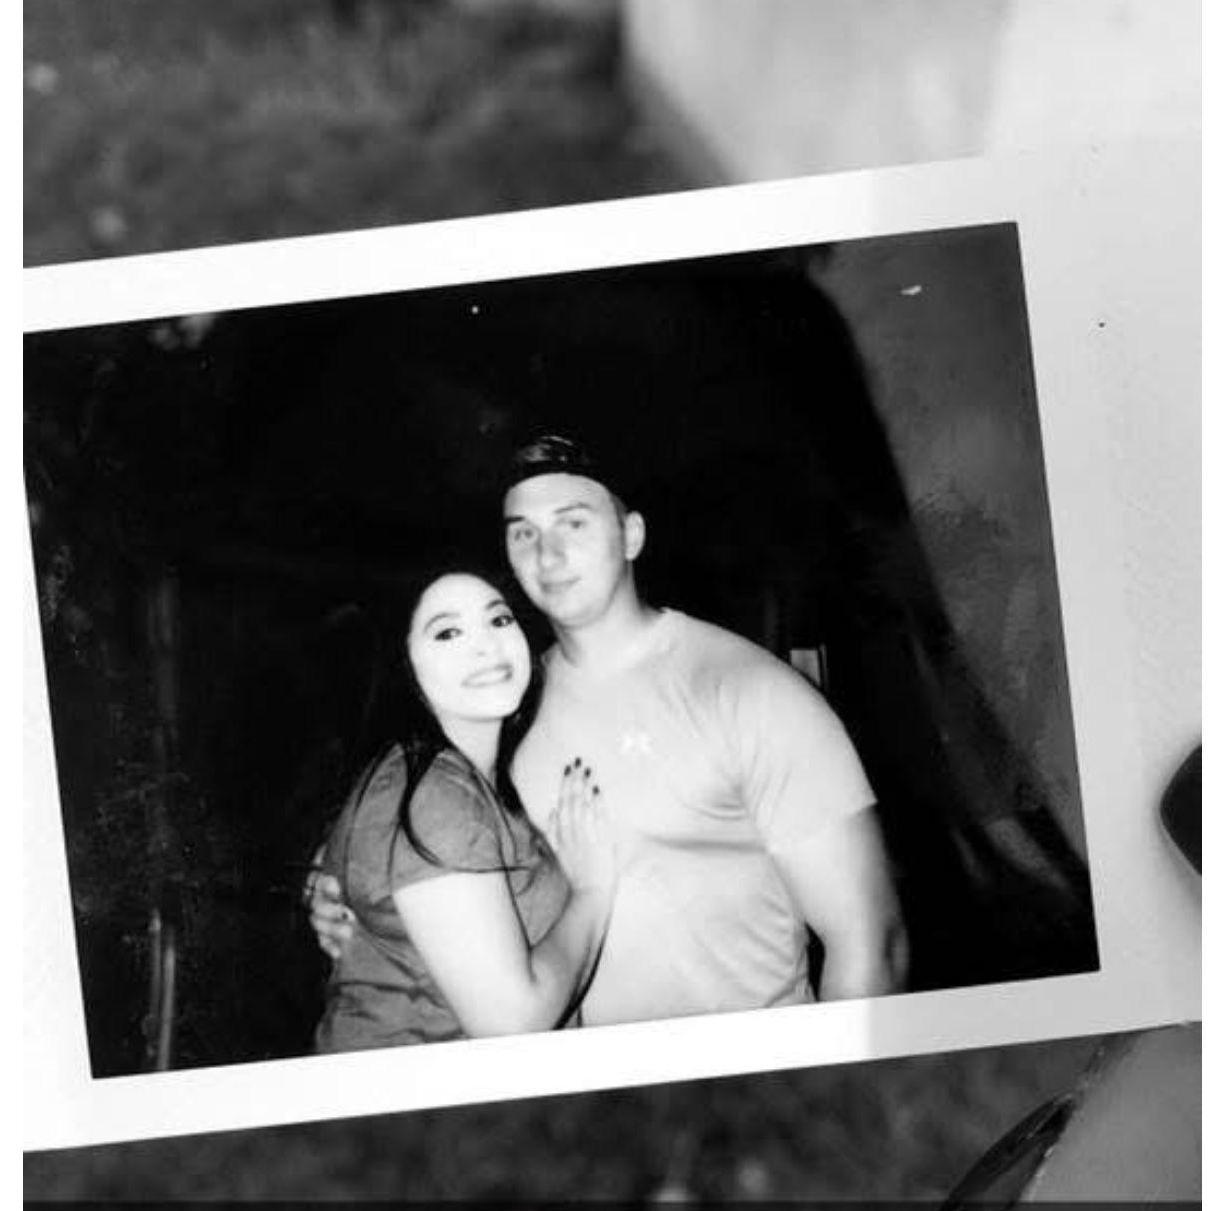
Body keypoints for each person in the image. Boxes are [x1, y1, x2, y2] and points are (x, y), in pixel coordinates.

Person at [312, 434, 907, 1026]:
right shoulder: (507, 706)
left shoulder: (748, 691)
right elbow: (439, 843)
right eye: (523, 533)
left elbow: (871, 945)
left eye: (573, 524)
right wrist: (344, 890)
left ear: (631, 535)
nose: (547, 555)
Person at [312, 561, 616, 1051]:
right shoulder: (434, 793)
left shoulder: (468, 777)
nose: (486, 645)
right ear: (404, 665)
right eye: (448, 632)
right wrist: (594, 890)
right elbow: (511, 1023)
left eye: (499, 619)